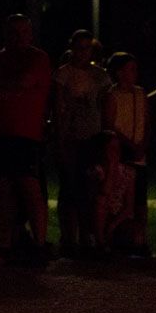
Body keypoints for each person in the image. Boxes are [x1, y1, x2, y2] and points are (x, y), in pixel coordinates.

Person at [0, 14, 52, 263]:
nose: (18, 38)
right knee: (3, 189)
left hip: (24, 133)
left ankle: (39, 242)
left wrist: (3, 90)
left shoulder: (37, 58)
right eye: (13, 32)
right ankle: (6, 242)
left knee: (29, 187)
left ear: (30, 34)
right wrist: (9, 91)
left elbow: (22, 83)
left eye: (23, 32)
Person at [52, 29, 111, 256]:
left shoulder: (100, 76)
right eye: (79, 47)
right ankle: (69, 236)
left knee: (91, 188)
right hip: (71, 136)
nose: (83, 52)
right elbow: (58, 108)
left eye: (88, 47)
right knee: (69, 188)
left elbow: (106, 105)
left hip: (93, 136)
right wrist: (60, 137)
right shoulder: (63, 74)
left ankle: (89, 235)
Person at [103, 52, 150, 255]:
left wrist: (143, 143)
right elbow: (109, 124)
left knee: (140, 199)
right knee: (119, 199)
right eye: (131, 69)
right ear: (119, 72)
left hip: (139, 153)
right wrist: (128, 143)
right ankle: (116, 239)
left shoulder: (140, 94)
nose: (135, 73)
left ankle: (140, 239)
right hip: (121, 152)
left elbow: (146, 121)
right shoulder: (112, 95)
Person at [88, 130, 136, 255]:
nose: (116, 152)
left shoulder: (128, 172)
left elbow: (128, 206)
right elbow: (104, 193)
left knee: (136, 237)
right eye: (111, 148)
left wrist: (113, 225)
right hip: (99, 215)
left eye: (117, 148)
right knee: (100, 202)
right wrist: (110, 168)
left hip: (118, 217)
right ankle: (100, 243)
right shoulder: (96, 171)